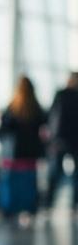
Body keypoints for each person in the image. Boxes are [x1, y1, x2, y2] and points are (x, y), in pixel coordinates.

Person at [0, 75, 48, 223]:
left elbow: (2, 131)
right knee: (29, 183)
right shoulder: (36, 108)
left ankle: (9, 210)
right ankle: (29, 209)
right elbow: (45, 128)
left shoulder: (11, 108)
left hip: (13, 153)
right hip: (30, 153)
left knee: (11, 183)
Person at [45, 70, 78, 215]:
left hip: (61, 139)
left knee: (56, 171)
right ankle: (73, 204)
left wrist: (52, 137)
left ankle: (49, 203)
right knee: (69, 173)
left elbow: (53, 116)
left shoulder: (61, 95)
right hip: (71, 139)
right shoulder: (63, 95)